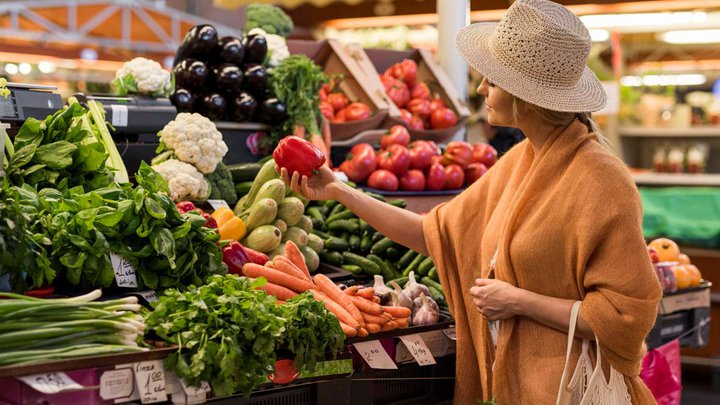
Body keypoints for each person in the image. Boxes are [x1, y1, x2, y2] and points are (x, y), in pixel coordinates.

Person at [281, 0, 661, 403]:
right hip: (515, 388)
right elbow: (434, 234)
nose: (480, 89)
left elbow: (625, 317)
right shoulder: (520, 162)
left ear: (525, 97)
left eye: (492, 81)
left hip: (572, 392)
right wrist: (339, 189)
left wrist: (519, 301)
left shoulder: (602, 180)